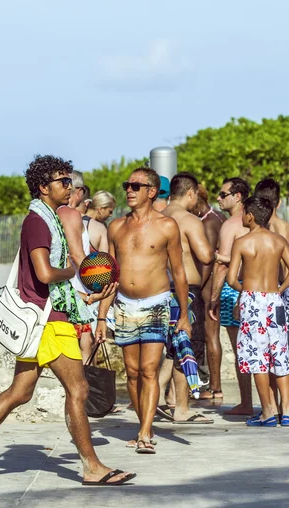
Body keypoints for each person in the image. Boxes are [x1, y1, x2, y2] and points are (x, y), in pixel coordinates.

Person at [0, 155, 132, 486]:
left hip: (48, 316)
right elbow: (45, 273)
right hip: (47, 322)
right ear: (43, 188)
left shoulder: (49, 220)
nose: (69, 186)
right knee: (78, 388)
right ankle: (92, 467)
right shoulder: (37, 222)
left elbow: (51, 280)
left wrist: (85, 296)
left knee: (20, 391)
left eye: (69, 181)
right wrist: (74, 271)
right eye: (63, 181)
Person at [96, 167, 191, 454]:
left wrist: (184, 315)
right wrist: (102, 316)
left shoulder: (167, 226)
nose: (129, 190)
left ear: (152, 191)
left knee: (149, 370)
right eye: (127, 185)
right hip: (124, 304)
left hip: (156, 303)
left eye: (136, 186)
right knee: (133, 373)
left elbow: (179, 272)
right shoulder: (116, 227)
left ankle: (145, 433)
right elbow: (108, 275)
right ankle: (143, 425)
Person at [226, 196, 289, 427]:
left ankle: (267, 412)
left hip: (252, 301)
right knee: (280, 353)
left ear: (250, 216)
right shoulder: (278, 241)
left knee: (257, 357)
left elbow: (231, 279)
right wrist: (278, 289)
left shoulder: (242, 242)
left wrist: (247, 291)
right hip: (275, 300)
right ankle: (287, 411)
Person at [159, 172, 214, 424]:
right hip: (186, 292)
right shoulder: (189, 220)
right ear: (190, 193)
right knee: (185, 348)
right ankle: (182, 408)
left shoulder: (158, 216)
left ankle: (158, 399)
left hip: (160, 289)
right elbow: (205, 256)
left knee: (170, 349)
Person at [208, 177, 253, 415]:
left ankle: (246, 402)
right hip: (262, 286)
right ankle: (276, 404)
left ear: (238, 197)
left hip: (234, 288)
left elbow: (223, 267)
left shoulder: (230, 225)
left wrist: (214, 298)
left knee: (240, 349)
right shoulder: (261, 220)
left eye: (223, 194)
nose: (218, 198)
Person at [254, 178, 289, 414]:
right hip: (283, 292)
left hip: (263, 290)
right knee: (282, 350)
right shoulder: (288, 229)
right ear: (279, 202)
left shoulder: (259, 229)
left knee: (262, 350)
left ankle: (268, 406)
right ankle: (285, 406)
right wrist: (282, 290)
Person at [192, 184, 225, 399]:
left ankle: (215, 386)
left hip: (210, 284)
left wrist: (197, 286)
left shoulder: (209, 222)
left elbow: (209, 259)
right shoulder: (216, 216)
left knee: (211, 334)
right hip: (211, 283)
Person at [58, 171, 95, 362]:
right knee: (84, 347)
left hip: (57, 292)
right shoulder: (71, 215)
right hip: (75, 293)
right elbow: (77, 255)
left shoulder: (49, 214)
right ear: (79, 192)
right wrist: (98, 281)